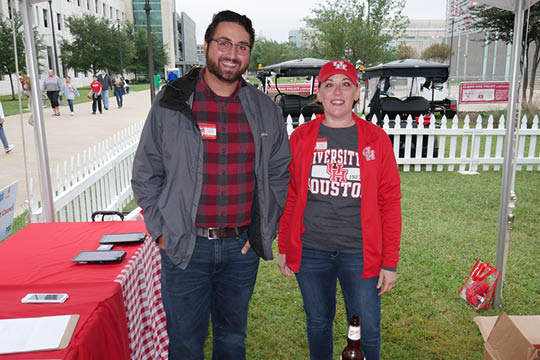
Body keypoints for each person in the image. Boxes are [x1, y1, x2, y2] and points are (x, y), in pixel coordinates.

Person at [131, 10, 290, 360]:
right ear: (206, 46)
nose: (232, 53)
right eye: (224, 43)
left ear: (249, 54)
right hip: (186, 248)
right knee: (186, 344)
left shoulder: (264, 109)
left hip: (240, 249)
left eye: (242, 46)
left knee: (232, 340)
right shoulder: (171, 102)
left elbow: (280, 171)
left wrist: (265, 226)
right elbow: (145, 172)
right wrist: (161, 230)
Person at [277, 60, 402, 360]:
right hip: (311, 250)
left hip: (360, 252)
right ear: (318, 93)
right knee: (318, 322)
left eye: (345, 84)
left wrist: (390, 262)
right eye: (329, 84)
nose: (337, 91)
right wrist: (285, 246)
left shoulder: (376, 139)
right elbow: (290, 196)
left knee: (367, 327)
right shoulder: (301, 138)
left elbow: (390, 201)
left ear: (357, 93)